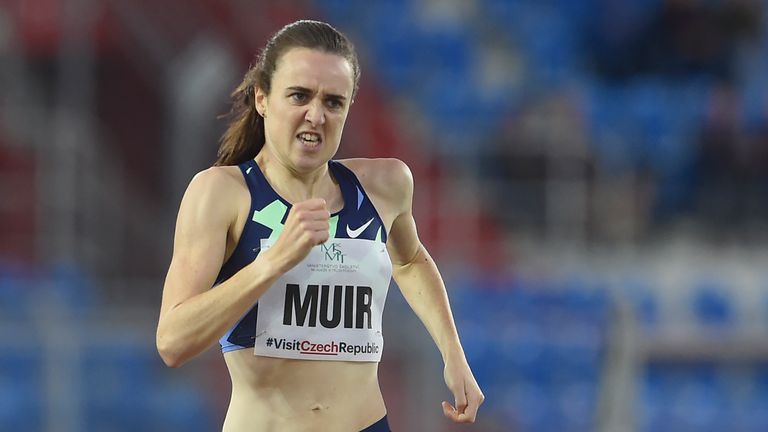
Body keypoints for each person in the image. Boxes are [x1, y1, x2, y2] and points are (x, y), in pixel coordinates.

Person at [156, 20, 484, 432]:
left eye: (333, 102)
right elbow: (173, 341)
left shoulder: (385, 186)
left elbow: (411, 260)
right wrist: (271, 262)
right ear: (262, 97)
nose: (316, 115)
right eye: (299, 96)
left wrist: (453, 354)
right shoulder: (221, 194)